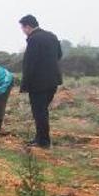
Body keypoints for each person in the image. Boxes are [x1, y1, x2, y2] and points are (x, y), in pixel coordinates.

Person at [19, 14, 63, 149]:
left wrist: (24, 85)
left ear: (27, 26)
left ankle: (43, 142)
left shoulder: (33, 39)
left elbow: (29, 64)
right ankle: (40, 138)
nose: (22, 31)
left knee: (39, 112)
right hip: (53, 81)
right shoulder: (52, 36)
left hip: (38, 84)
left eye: (22, 28)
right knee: (42, 111)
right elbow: (59, 55)